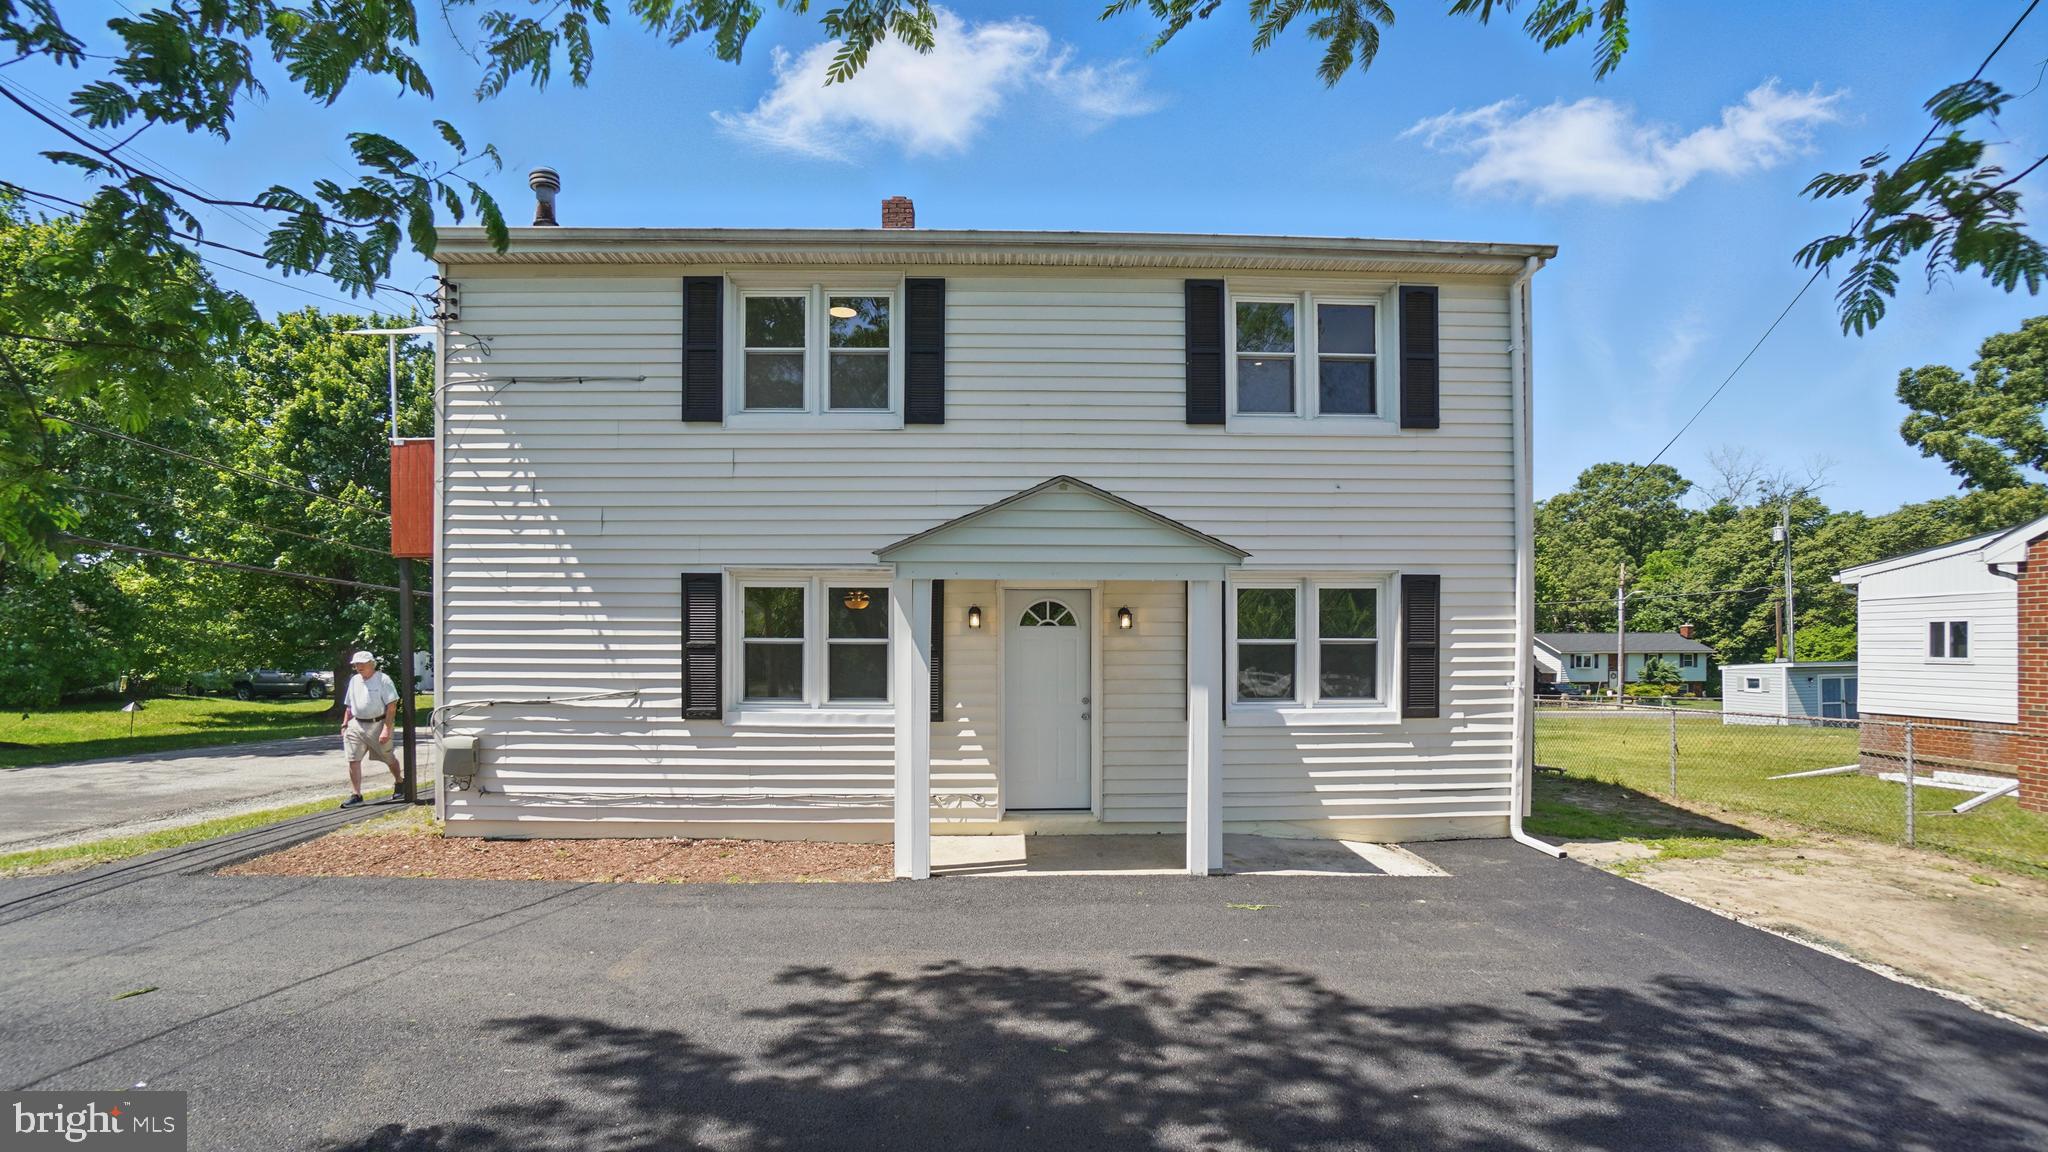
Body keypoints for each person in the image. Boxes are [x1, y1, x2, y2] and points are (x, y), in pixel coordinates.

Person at [339, 650, 405, 808]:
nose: (359, 667)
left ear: (371, 664)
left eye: (362, 664)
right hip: (356, 724)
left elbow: (391, 706)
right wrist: (345, 723)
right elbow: (349, 705)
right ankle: (356, 795)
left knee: (388, 757)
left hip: (378, 723)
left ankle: (400, 782)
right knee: (353, 759)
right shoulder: (354, 680)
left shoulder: (383, 679)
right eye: (356, 664)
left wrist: (386, 729)